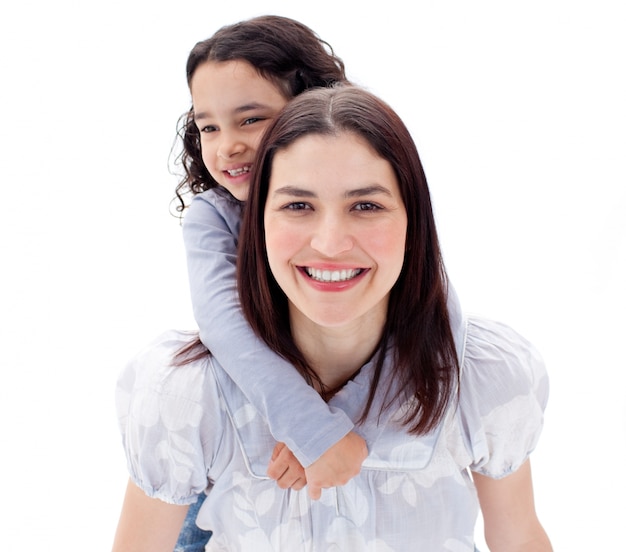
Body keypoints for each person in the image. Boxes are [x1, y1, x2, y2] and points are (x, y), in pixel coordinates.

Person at [113, 84, 552, 551]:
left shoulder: (486, 379)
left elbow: (519, 537)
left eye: (366, 206)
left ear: (414, 221)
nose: (329, 242)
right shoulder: (185, 394)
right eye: (298, 206)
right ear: (257, 223)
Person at [167, 16, 368, 549]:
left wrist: (330, 423)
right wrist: (312, 428)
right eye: (209, 126)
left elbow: (427, 313)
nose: (226, 145)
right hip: (236, 446)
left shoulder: (368, 202)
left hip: (356, 444)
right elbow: (223, 324)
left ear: (312, 109)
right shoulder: (214, 217)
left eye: (250, 119)